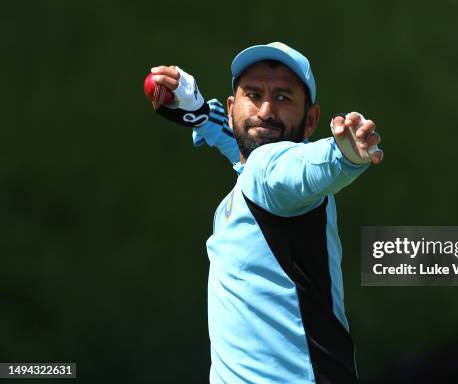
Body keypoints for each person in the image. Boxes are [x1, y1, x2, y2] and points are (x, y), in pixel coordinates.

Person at [149, 42, 383, 384]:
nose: (265, 110)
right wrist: (199, 113)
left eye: (284, 98)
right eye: (254, 95)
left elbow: (302, 166)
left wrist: (343, 156)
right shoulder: (253, 172)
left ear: (311, 121)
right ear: (231, 108)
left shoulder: (270, 172)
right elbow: (243, 145)